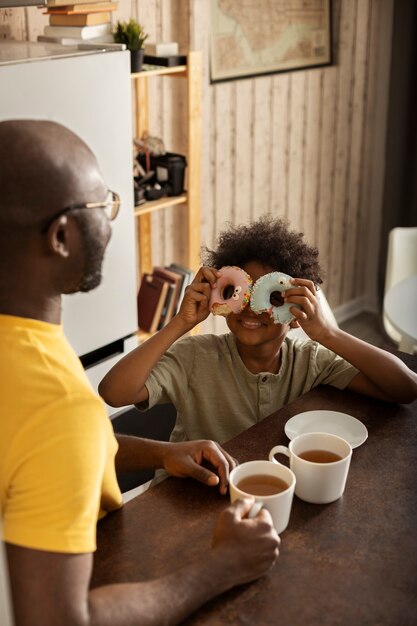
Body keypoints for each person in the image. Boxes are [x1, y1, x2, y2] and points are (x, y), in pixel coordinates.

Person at [0, 120, 280, 626]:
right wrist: (220, 568)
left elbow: (29, 453)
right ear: (61, 236)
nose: (112, 218)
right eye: (102, 204)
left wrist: (162, 453)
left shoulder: (21, 344)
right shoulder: (58, 408)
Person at [99, 216, 417, 471]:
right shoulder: (194, 357)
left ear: (295, 314)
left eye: (271, 297)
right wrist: (180, 323)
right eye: (239, 293)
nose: (251, 308)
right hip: (189, 496)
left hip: (266, 493)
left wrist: (327, 334)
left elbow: (406, 388)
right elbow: (114, 393)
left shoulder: (311, 360)